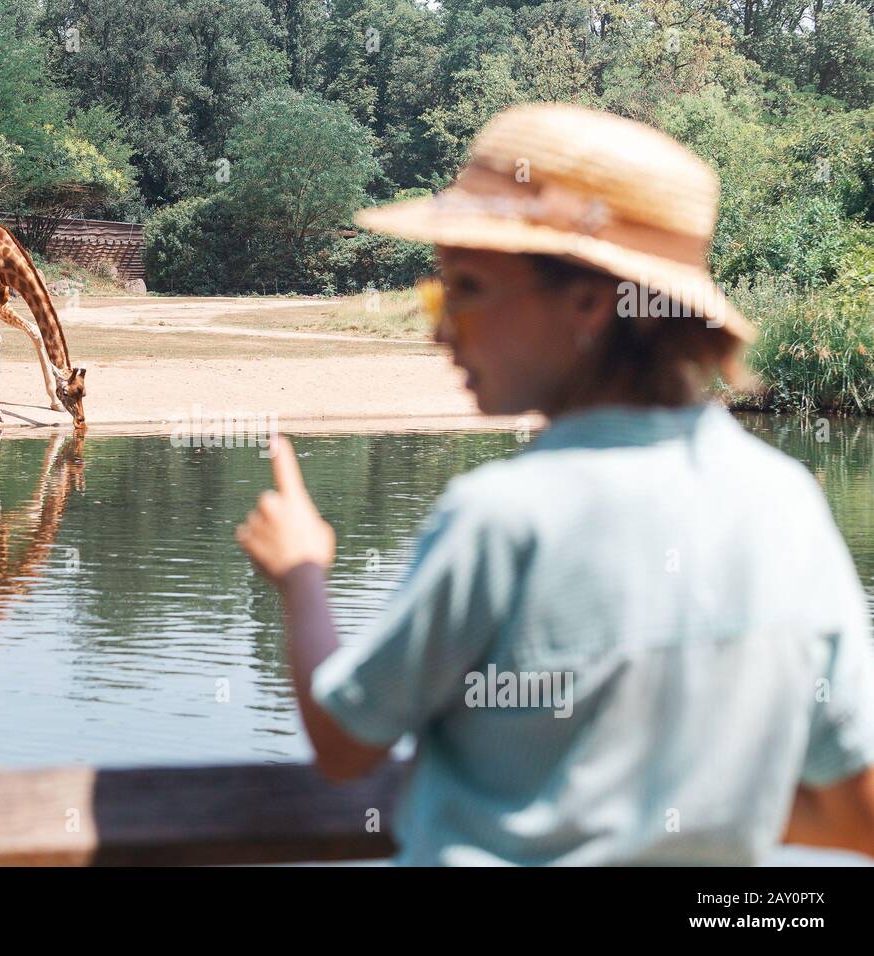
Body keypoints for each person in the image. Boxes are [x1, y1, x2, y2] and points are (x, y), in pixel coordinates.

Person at [235, 103, 874, 865]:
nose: (440, 329)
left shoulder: (502, 519)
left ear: (587, 304)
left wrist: (302, 573)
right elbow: (856, 810)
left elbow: (346, 745)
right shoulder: (785, 503)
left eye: (465, 288)